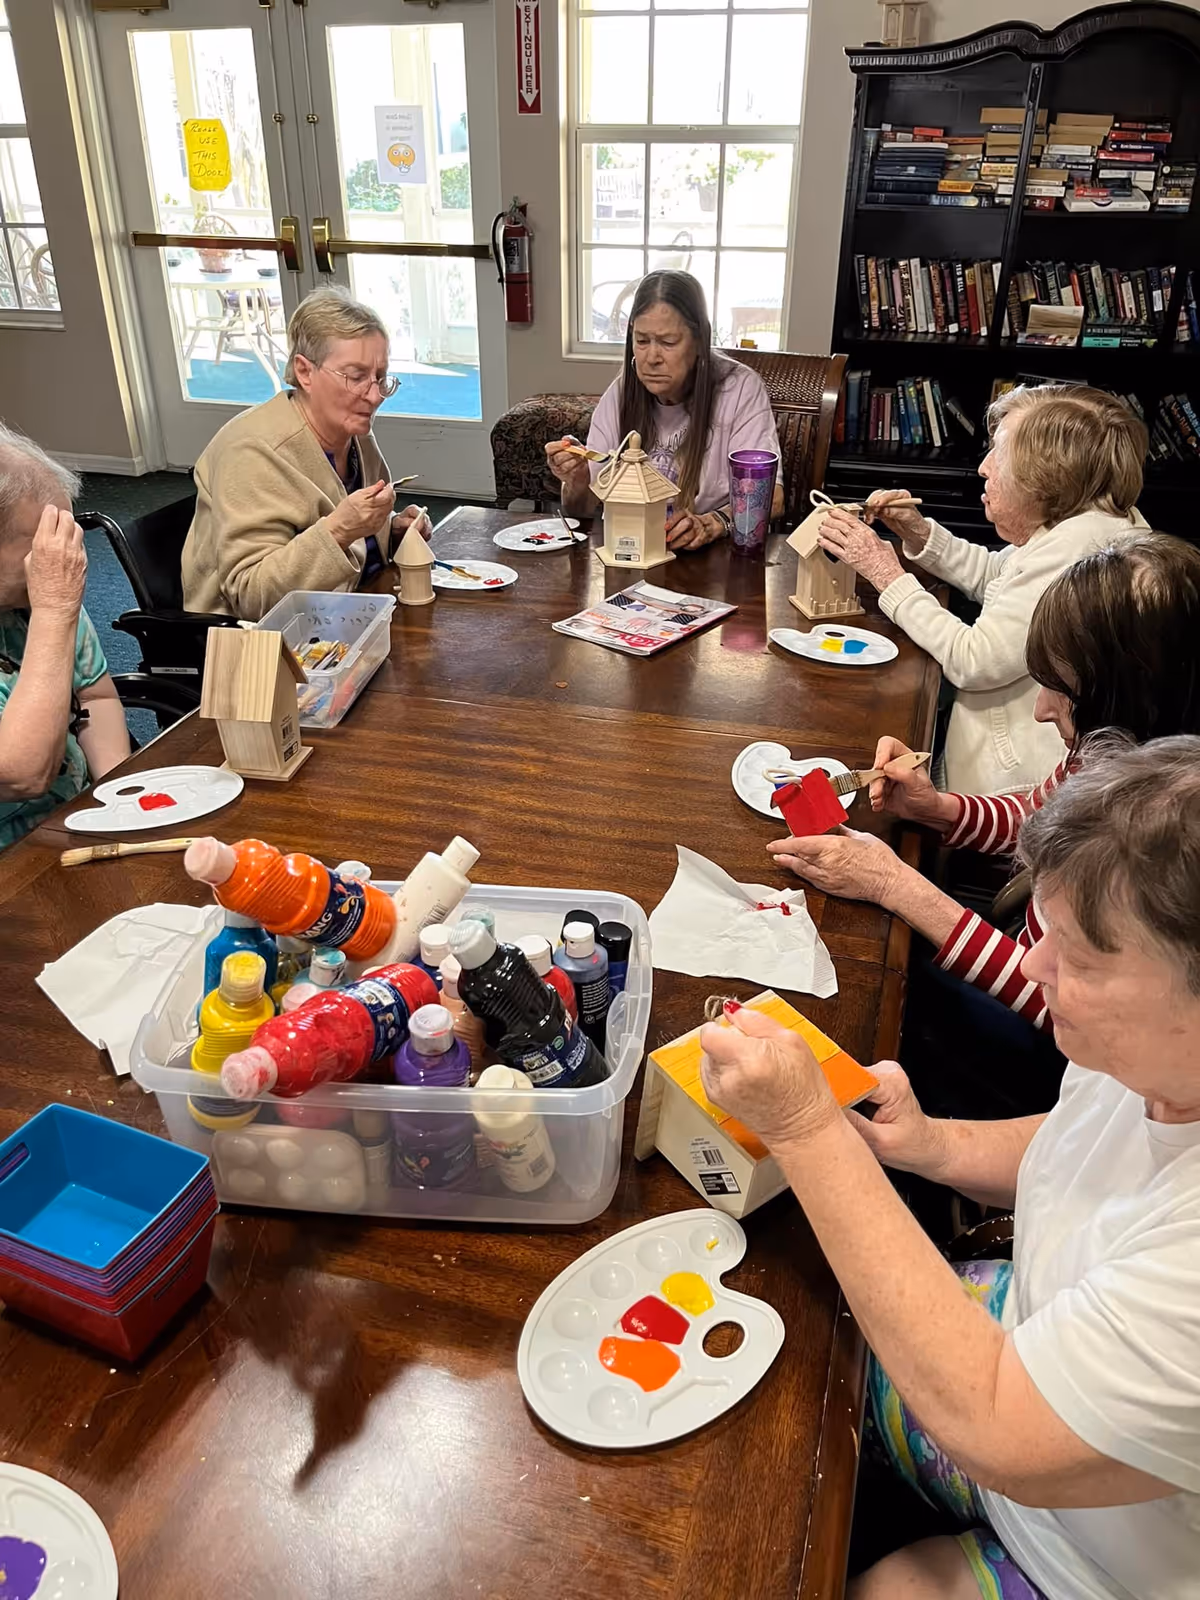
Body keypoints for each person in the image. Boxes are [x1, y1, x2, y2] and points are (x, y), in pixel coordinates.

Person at [701, 736, 1200, 1600]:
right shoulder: (1150, 1056)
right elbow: (1080, 1142)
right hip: (1036, 1344)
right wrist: (929, 1144)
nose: (1036, 969)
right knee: (800, 1349)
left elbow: (999, 1425)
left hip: (1105, 1558)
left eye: (1077, 961)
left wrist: (806, 1127)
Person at [767, 533, 1200, 1116]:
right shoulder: (1112, 747)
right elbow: (1036, 815)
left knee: (865, 994)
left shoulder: (1161, 838)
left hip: (1052, 1056)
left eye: (1063, 690)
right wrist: (937, 808)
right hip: (1023, 965)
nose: (1041, 709)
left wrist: (895, 883)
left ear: (1138, 694)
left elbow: (1055, 1002)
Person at [815, 384, 1148, 794]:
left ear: (1044, 481)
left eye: (1000, 455)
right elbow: (998, 575)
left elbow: (972, 660)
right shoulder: (1081, 520)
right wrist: (920, 534)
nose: (984, 468)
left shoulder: (1080, 554)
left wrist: (886, 574)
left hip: (1011, 790)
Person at [182, 288, 431, 621]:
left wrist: (391, 531)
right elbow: (251, 597)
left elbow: (348, 539)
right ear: (304, 371)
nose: (375, 396)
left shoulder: (353, 434)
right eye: (356, 377)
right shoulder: (253, 452)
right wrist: (340, 530)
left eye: (381, 378)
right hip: (263, 650)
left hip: (346, 616)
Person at [544, 269, 782, 551]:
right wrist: (578, 480)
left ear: (699, 341)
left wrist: (714, 523)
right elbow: (580, 511)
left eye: (668, 342)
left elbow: (772, 497)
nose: (651, 358)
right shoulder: (621, 394)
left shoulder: (739, 390)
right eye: (642, 341)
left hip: (708, 561)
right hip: (630, 552)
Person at [0, 424, 130, 849]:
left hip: (72, 820)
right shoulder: (50, 593)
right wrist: (56, 608)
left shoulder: (34, 591)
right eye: (43, 542)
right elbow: (22, 772)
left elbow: (95, 696)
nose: (65, 557)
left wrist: (117, 797)